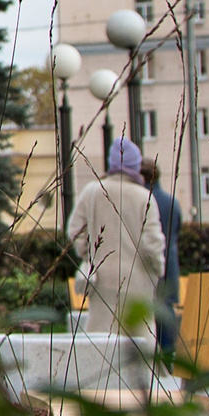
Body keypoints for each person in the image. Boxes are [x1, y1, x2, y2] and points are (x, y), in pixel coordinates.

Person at [68, 136, 167, 346]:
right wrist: (157, 270)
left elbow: (75, 231)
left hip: (102, 281)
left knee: (101, 342)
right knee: (139, 341)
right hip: (137, 280)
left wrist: (88, 253)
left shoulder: (92, 191)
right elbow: (153, 243)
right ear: (135, 166)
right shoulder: (144, 197)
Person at [140, 155, 182, 358]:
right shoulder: (172, 201)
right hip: (171, 264)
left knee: (149, 311)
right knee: (166, 309)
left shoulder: (144, 201)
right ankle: (169, 356)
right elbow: (177, 230)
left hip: (148, 264)